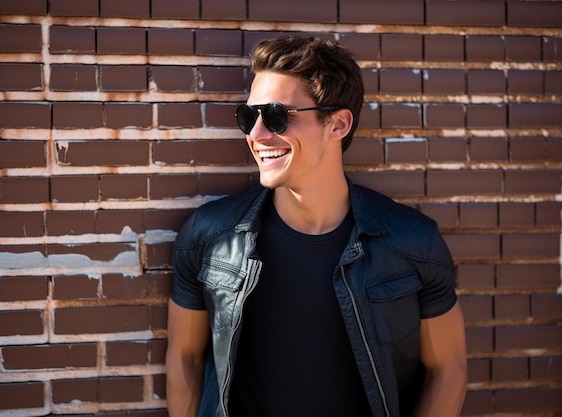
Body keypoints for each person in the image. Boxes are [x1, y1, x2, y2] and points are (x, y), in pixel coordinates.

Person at [166, 35, 467, 417]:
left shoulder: (412, 243)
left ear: (338, 123)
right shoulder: (209, 236)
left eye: (276, 116)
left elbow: (449, 369)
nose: (256, 135)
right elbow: (184, 358)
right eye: (248, 116)